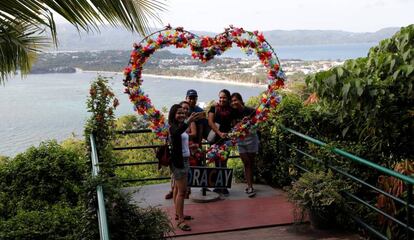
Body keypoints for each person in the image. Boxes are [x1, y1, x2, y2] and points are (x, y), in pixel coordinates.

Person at [168, 104, 204, 231]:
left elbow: (182, 142)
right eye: (178, 113)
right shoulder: (173, 127)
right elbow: (176, 134)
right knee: (182, 192)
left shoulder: (181, 126)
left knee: (178, 190)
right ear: (173, 115)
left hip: (185, 159)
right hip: (178, 163)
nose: (181, 115)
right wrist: (188, 121)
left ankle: (179, 215)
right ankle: (181, 221)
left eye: (183, 113)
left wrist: (191, 148)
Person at [231, 93, 259, 197]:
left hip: (251, 138)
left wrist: (250, 122)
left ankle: (250, 185)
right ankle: (250, 186)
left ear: (240, 100)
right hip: (240, 140)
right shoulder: (233, 113)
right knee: (246, 162)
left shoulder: (250, 110)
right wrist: (240, 124)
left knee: (251, 163)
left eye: (235, 100)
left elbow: (257, 124)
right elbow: (234, 127)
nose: (234, 102)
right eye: (232, 101)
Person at [208, 89, 235, 195]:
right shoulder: (213, 108)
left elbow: (233, 123)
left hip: (227, 140)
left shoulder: (231, 110)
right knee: (216, 162)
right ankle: (217, 186)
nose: (222, 99)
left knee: (223, 162)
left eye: (224, 97)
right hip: (216, 138)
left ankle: (223, 186)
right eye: (220, 97)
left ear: (228, 98)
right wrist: (219, 133)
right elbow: (210, 122)